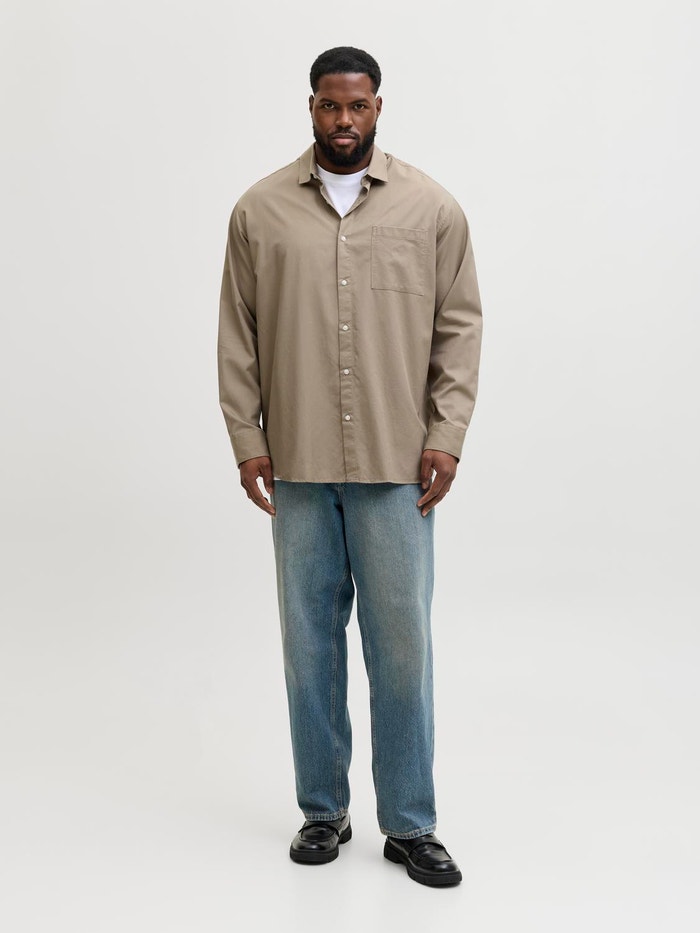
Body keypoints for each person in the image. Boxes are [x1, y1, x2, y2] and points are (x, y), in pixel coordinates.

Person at [217, 46, 483, 887]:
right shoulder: (260, 211)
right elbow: (237, 334)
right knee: (310, 647)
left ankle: (410, 823)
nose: (343, 120)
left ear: (378, 107)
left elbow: (459, 329)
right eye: (330, 105)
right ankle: (322, 811)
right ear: (311, 107)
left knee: (402, 649)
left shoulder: (431, 208)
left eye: (357, 105)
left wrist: (447, 432)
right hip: (296, 461)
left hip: (397, 464)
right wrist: (247, 438)